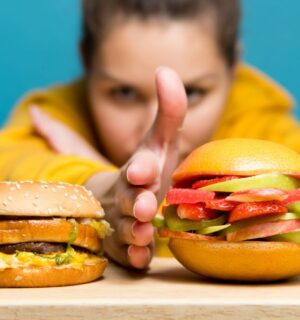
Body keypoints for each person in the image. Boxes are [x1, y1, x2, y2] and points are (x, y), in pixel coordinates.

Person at [1, 0, 300, 269]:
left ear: (233, 66)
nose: (151, 125)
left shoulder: (268, 128)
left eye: (193, 92)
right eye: (124, 92)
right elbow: (12, 163)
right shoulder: (52, 117)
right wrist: (100, 189)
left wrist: (149, 213)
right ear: (88, 63)